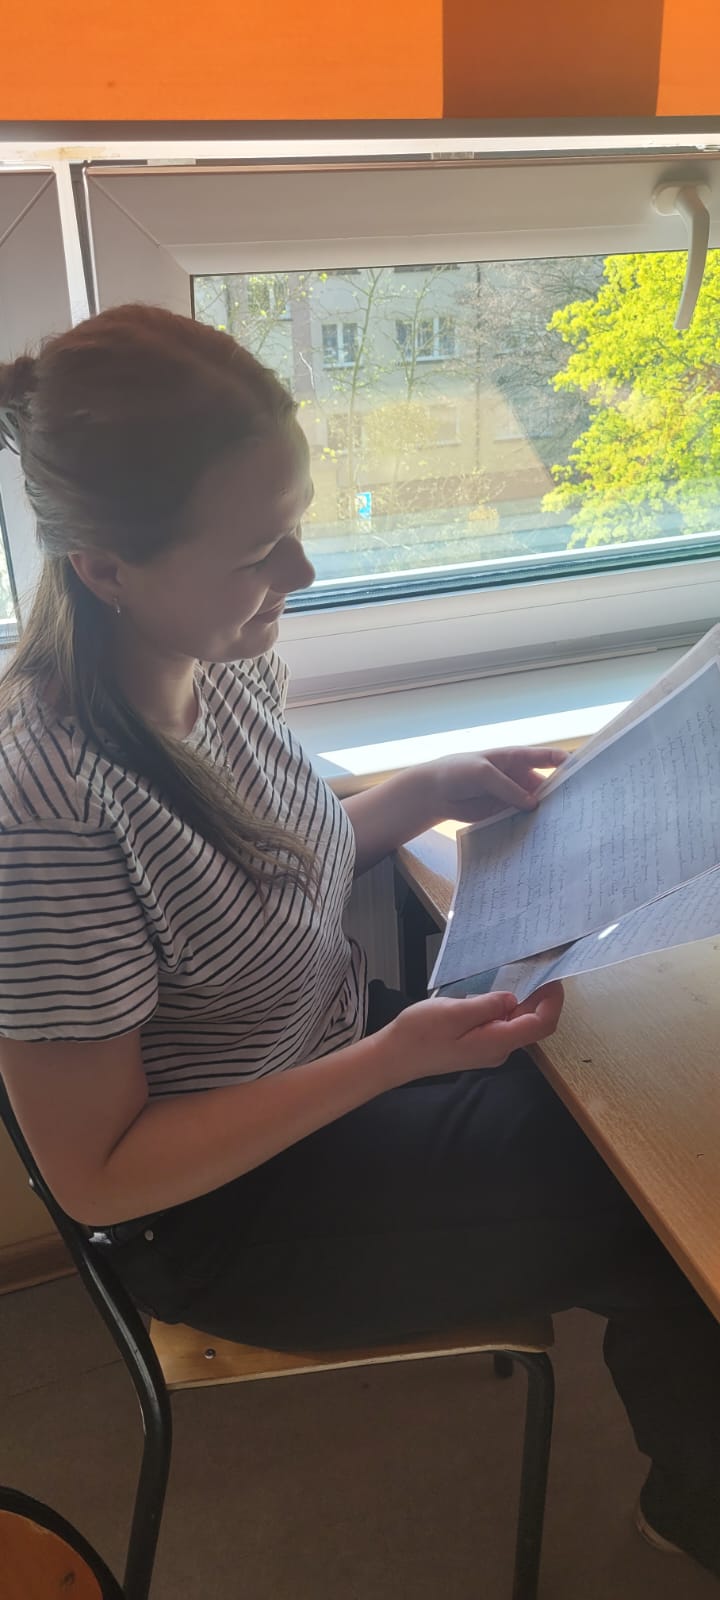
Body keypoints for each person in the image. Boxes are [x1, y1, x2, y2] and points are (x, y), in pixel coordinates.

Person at [0, 304, 718, 1580]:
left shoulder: (214, 654)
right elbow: (99, 1176)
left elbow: (273, 865)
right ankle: (699, 1504)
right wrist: (394, 1060)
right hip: (233, 1210)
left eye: (298, 521)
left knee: (641, 1078)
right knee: (664, 1198)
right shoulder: (47, 812)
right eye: (258, 551)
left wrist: (427, 789)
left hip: (335, 1061)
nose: (304, 572)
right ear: (107, 567)